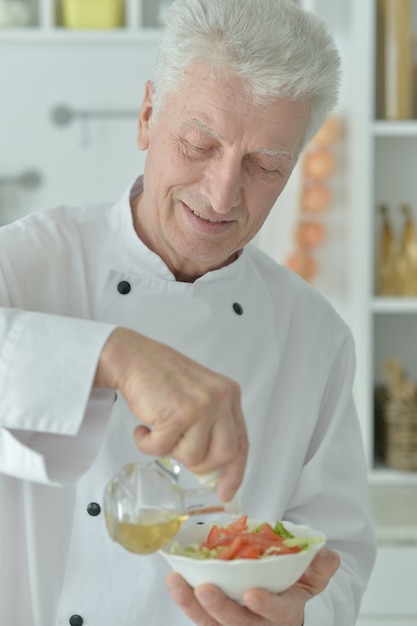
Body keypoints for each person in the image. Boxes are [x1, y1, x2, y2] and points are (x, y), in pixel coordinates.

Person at [0, 0, 376, 624]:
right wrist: (114, 355)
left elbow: (339, 549)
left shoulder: (315, 335)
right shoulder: (25, 262)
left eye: (264, 166)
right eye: (200, 143)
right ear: (148, 116)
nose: (222, 193)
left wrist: (302, 615)